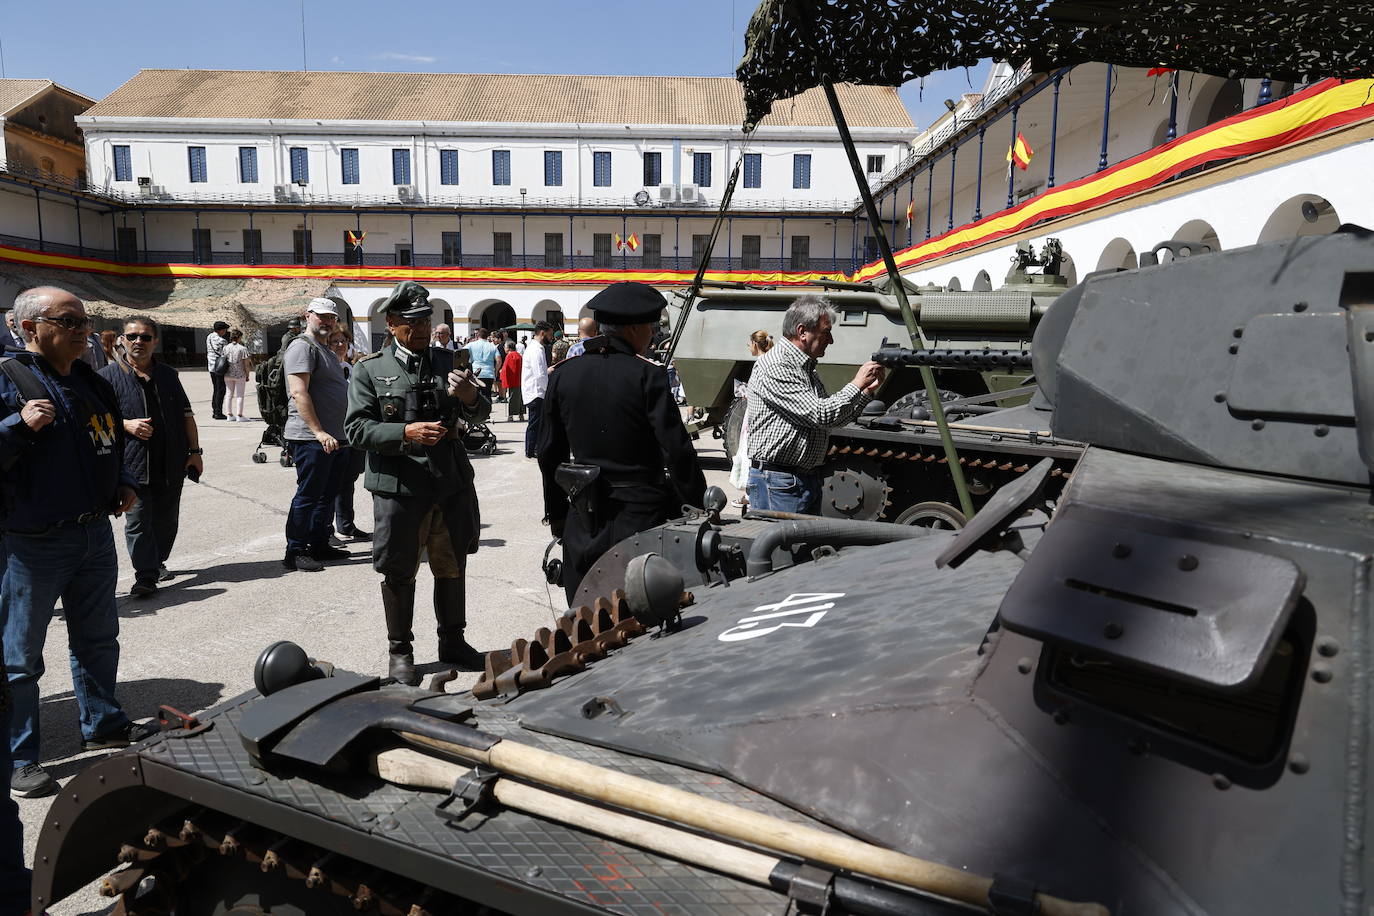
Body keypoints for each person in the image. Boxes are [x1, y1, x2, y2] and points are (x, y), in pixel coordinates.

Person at [0, 287, 154, 798]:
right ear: (29, 328)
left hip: (93, 533)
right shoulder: (8, 380)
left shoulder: (90, 380)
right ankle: (19, 757)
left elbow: (107, 437)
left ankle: (103, 724)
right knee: (20, 658)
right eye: (68, 322)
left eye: (84, 321)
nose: (82, 330)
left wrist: (124, 484)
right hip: (31, 544)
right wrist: (15, 427)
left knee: (98, 637)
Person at [345, 281, 490, 684]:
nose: (423, 328)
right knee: (399, 570)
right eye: (412, 322)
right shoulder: (369, 369)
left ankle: (453, 642)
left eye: (427, 320)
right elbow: (356, 429)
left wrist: (470, 399)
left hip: (449, 483)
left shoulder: (449, 361)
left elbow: (480, 415)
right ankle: (400, 651)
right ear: (391, 324)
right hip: (400, 487)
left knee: (452, 565)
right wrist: (404, 434)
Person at [539, 282, 707, 603]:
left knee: (585, 616)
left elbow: (550, 453)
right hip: (643, 519)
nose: (652, 334)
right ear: (632, 328)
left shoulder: (564, 374)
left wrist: (558, 514)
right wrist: (696, 505)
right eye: (650, 327)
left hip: (584, 518)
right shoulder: (648, 376)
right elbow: (677, 450)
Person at [745, 296, 884, 515]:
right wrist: (857, 382)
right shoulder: (776, 365)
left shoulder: (804, 368)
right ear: (802, 332)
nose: (831, 340)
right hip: (779, 483)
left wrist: (865, 391)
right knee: (783, 549)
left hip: (799, 480)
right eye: (826, 332)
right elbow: (821, 414)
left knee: (803, 548)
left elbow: (832, 420)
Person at [100, 316, 203, 598]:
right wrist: (125, 424)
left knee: (167, 521)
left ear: (155, 342)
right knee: (138, 522)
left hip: (172, 462)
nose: (138, 342)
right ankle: (145, 576)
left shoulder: (169, 375)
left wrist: (195, 453)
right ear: (122, 339)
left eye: (145, 337)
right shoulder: (106, 378)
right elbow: (94, 420)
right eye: (132, 336)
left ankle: (156, 562)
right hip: (132, 465)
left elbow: (187, 416)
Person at [281, 299, 351, 572]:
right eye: (321, 316)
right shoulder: (302, 346)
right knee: (308, 495)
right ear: (307, 316)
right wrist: (319, 432)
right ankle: (295, 551)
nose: (327, 321)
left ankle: (319, 543)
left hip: (334, 436)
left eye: (331, 317)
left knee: (326, 495)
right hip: (312, 438)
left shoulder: (325, 349)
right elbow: (299, 392)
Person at [328, 329, 370, 542]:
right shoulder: (326, 369)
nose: (339, 345)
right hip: (332, 433)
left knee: (348, 481)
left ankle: (345, 525)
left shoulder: (349, 367)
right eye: (334, 342)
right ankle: (325, 531)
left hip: (351, 433)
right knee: (331, 483)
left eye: (343, 341)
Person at [728, 329, 776, 508]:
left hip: (754, 417)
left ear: (755, 344)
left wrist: (744, 391)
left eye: (749, 344)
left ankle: (752, 496)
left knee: (749, 453)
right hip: (756, 415)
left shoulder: (760, 363)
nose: (749, 347)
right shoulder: (770, 361)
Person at [520, 321, 553, 458]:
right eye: (550, 334)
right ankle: (531, 450)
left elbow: (539, 372)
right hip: (536, 393)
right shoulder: (536, 349)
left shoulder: (534, 348)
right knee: (535, 424)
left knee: (536, 423)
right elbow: (539, 375)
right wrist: (549, 391)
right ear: (542, 333)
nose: (551, 338)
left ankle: (533, 448)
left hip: (535, 391)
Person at [222, 328, 252, 421]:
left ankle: (229, 414)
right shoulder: (243, 349)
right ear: (239, 337)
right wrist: (247, 375)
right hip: (240, 374)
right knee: (240, 395)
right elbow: (246, 364)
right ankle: (239, 415)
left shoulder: (226, 348)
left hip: (227, 374)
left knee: (229, 395)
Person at [206, 320, 230, 419]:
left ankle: (214, 410)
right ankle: (218, 412)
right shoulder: (222, 341)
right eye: (224, 329)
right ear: (220, 330)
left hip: (211, 366)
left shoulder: (209, 337)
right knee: (221, 390)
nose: (225, 331)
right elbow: (225, 354)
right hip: (220, 366)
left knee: (216, 389)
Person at [500, 341, 524, 421]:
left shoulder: (510, 356)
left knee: (512, 398)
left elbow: (506, 368)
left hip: (512, 380)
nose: (504, 348)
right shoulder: (519, 355)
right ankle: (521, 415)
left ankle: (511, 415)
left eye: (505, 347)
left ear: (509, 348)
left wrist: (501, 373)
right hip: (519, 379)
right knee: (520, 398)